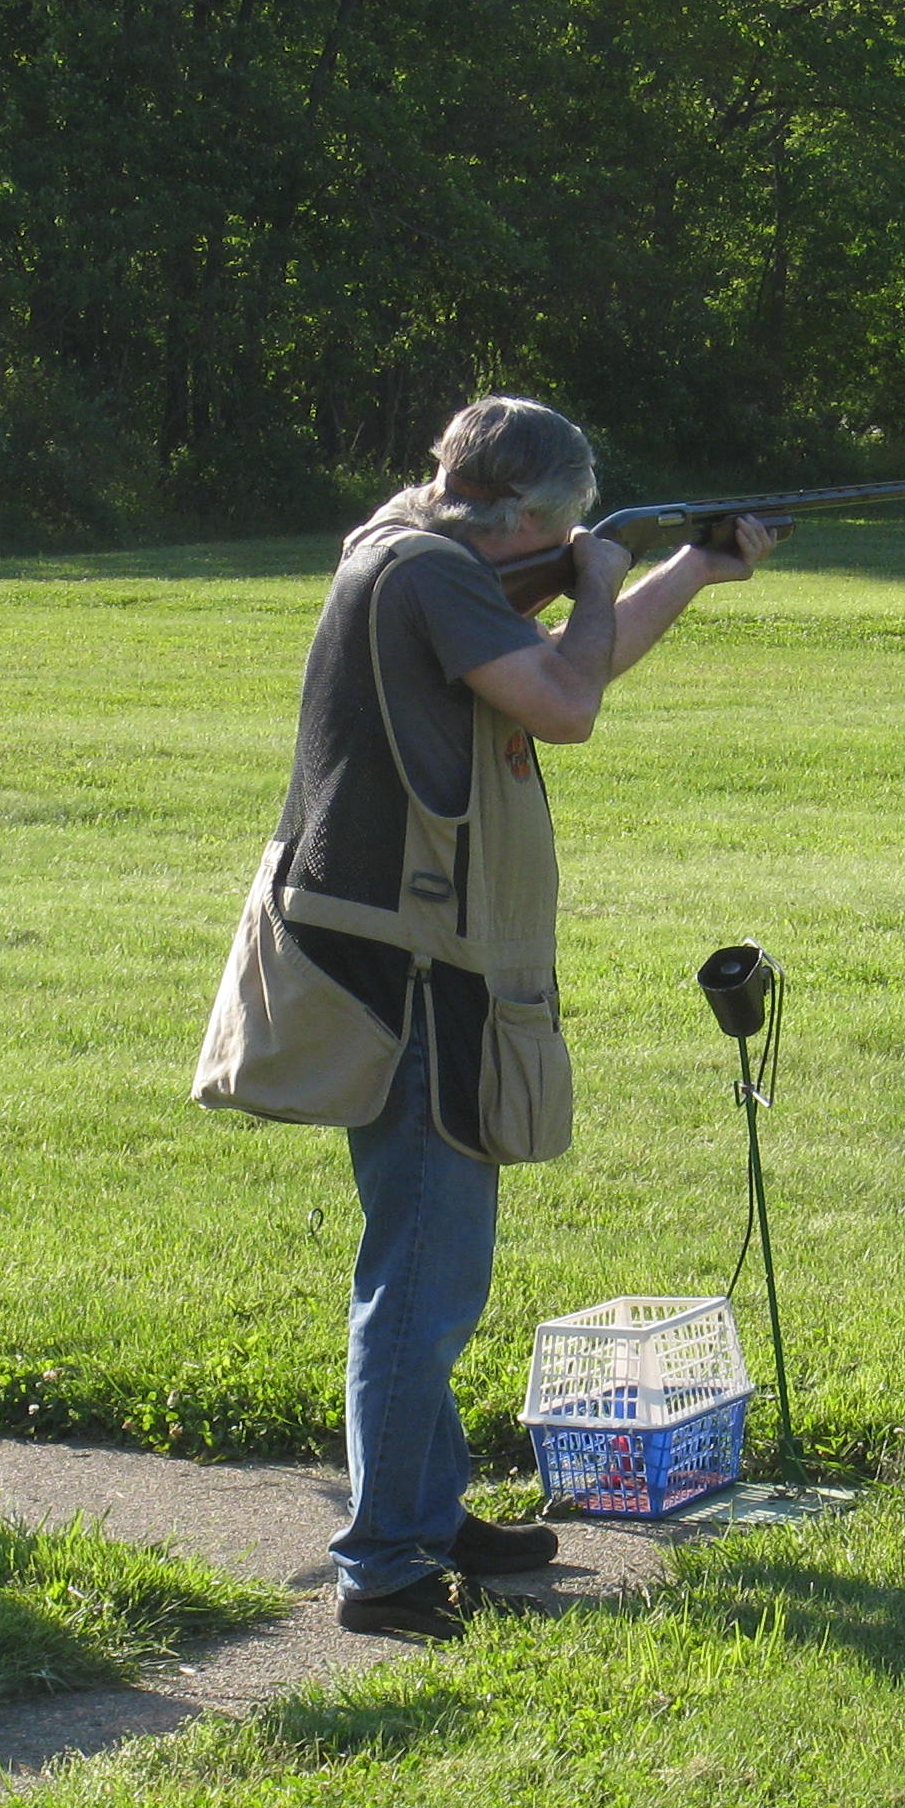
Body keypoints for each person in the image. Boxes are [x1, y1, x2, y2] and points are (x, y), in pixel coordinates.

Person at [195, 396, 781, 1638]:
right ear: (522, 516)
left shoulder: (414, 555)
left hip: (411, 957)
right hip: (409, 973)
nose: (569, 544)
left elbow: (568, 668)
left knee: (427, 1263)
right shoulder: (429, 572)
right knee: (422, 1275)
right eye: (563, 527)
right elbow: (568, 704)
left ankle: (423, 1506)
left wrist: (685, 569)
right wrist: (602, 573)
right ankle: (387, 1566)